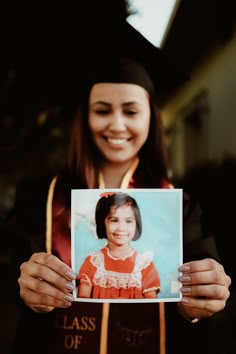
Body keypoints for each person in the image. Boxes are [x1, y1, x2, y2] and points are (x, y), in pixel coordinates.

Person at [11, 22, 231, 354]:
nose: (116, 125)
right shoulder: (39, 198)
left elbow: (197, 314)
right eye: (102, 110)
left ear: (150, 119)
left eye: (131, 111)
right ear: (85, 117)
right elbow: (10, 285)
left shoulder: (181, 206)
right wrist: (25, 290)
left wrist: (200, 305)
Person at [77, 191, 161, 299]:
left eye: (128, 221)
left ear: (137, 224)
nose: (121, 228)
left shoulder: (144, 265)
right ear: (103, 223)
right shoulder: (93, 262)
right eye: (114, 220)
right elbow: (83, 302)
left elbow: (152, 306)